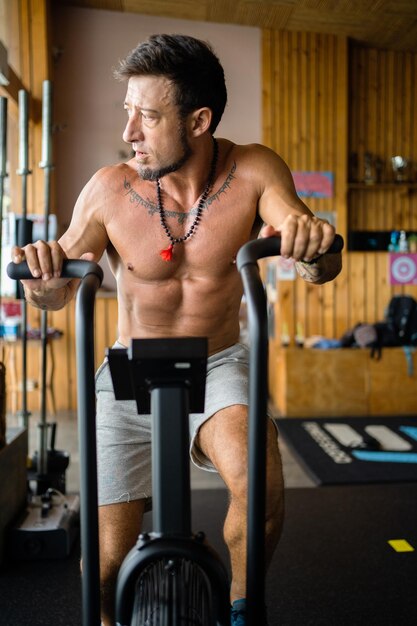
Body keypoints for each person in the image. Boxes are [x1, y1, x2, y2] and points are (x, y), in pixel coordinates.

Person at [13, 34, 342, 626]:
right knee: (107, 562)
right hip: (128, 372)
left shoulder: (253, 169)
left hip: (216, 363)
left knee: (259, 481)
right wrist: (41, 274)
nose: (129, 132)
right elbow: (55, 295)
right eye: (127, 112)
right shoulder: (109, 188)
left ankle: (241, 610)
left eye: (147, 116)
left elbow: (309, 247)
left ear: (199, 120)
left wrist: (312, 246)